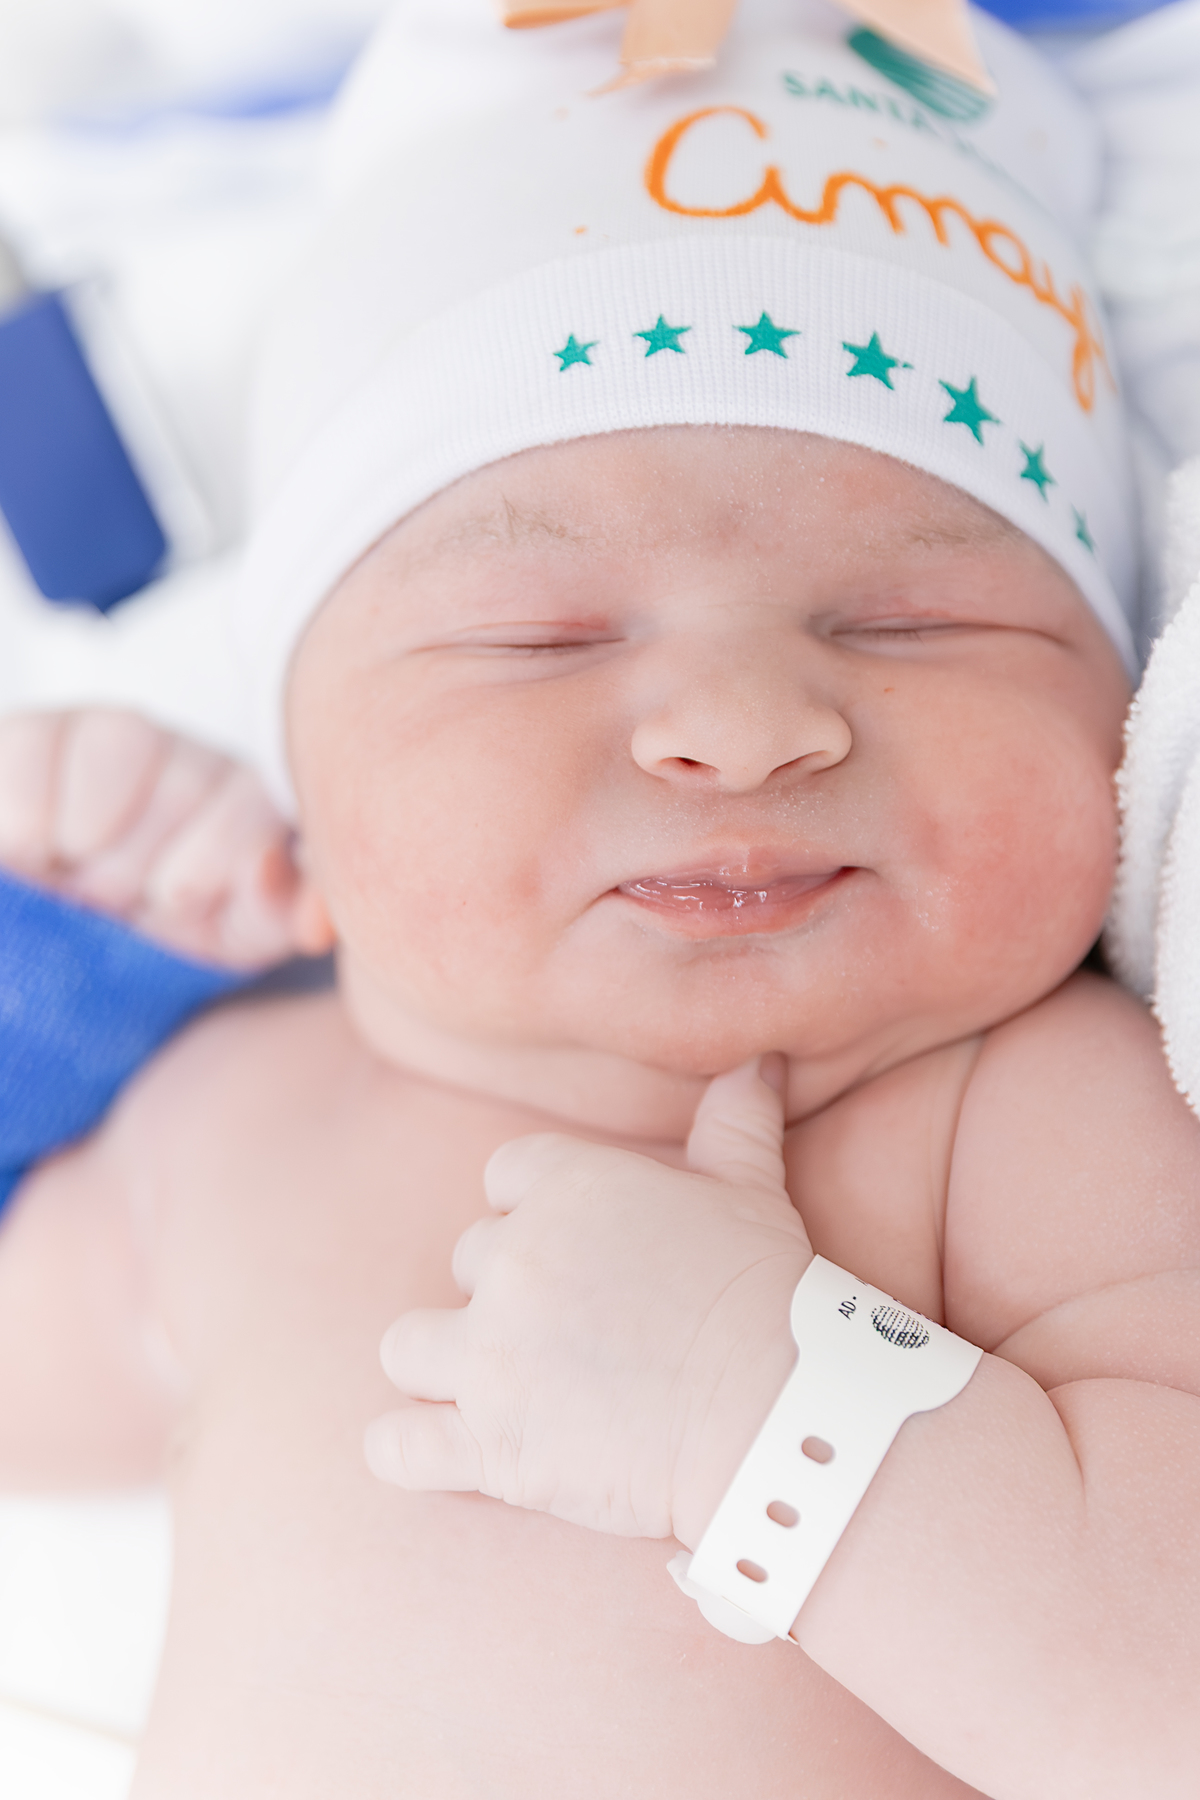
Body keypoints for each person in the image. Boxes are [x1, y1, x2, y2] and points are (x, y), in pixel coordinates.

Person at [2, 1, 1198, 1794]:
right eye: (538, 638)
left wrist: (761, 1409)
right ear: (296, 757)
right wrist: (67, 969)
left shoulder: (1030, 1117)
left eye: (914, 622)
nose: (742, 726)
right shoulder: (240, 1118)